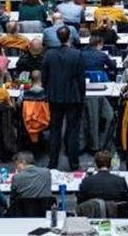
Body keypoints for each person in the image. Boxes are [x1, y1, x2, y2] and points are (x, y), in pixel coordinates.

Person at [41, 25, 87, 170]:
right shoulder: (77, 54)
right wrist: (82, 96)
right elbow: (81, 79)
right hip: (73, 97)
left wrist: (48, 91)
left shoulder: (49, 54)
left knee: (55, 130)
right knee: (73, 131)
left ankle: (53, 162)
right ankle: (74, 162)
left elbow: (44, 77)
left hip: (54, 96)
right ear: (70, 37)